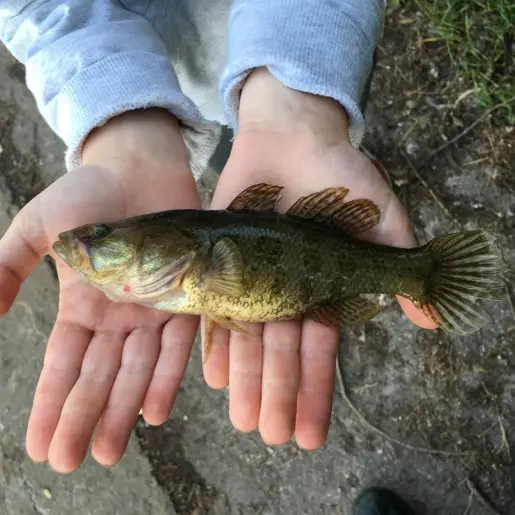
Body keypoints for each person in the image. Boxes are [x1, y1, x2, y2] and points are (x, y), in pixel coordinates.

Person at [0, 1, 435, 513]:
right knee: (230, 151)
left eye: (102, 233)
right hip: (200, 93)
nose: (85, 240)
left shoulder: (196, 262)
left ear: (162, 244)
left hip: (313, 53)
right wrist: (122, 123)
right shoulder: (187, 259)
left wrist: (298, 103)